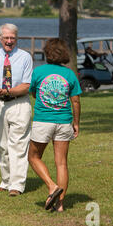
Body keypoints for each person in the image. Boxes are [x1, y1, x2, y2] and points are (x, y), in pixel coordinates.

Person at [28, 38, 82, 212]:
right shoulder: (70, 74)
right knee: (61, 164)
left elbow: (34, 93)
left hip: (43, 121)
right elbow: (75, 101)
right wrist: (76, 123)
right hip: (64, 121)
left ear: (47, 53)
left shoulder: (38, 72)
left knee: (33, 157)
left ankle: (52, 186)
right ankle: (59, 205)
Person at [0, 23, 33, 197]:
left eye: (12, 38)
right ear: (0, 39)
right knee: (1, 145)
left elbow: (26, 85)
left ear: (16, 39)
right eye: (6, 38)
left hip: (19, 103)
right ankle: (6, 180)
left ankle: (16, 185)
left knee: (18, 144)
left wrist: (8, 91)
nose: (9, 41)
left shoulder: (25, 57)